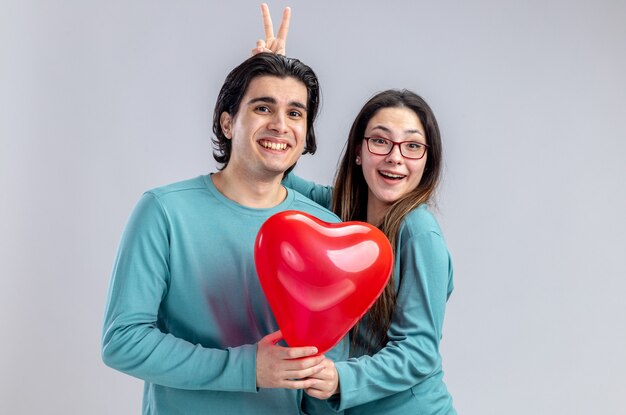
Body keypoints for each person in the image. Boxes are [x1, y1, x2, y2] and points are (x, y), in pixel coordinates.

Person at [101, 49, 347, 413]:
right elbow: (123, 341)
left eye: (295, 113)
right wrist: (247, 369)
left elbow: (324, 370)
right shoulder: (164, 211)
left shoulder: (326, 229)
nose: (280, 124)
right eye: (263, 108)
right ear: (228, 123)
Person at [254, 5, 456, 414]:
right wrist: (265, 83)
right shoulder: (338, 212)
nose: (395, 158)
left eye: (412, 146)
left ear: (426, 160)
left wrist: (340, 379)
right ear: (359, 153)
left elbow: (419, 352)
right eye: (380, 141)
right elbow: (273, 168)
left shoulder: (418, 231)